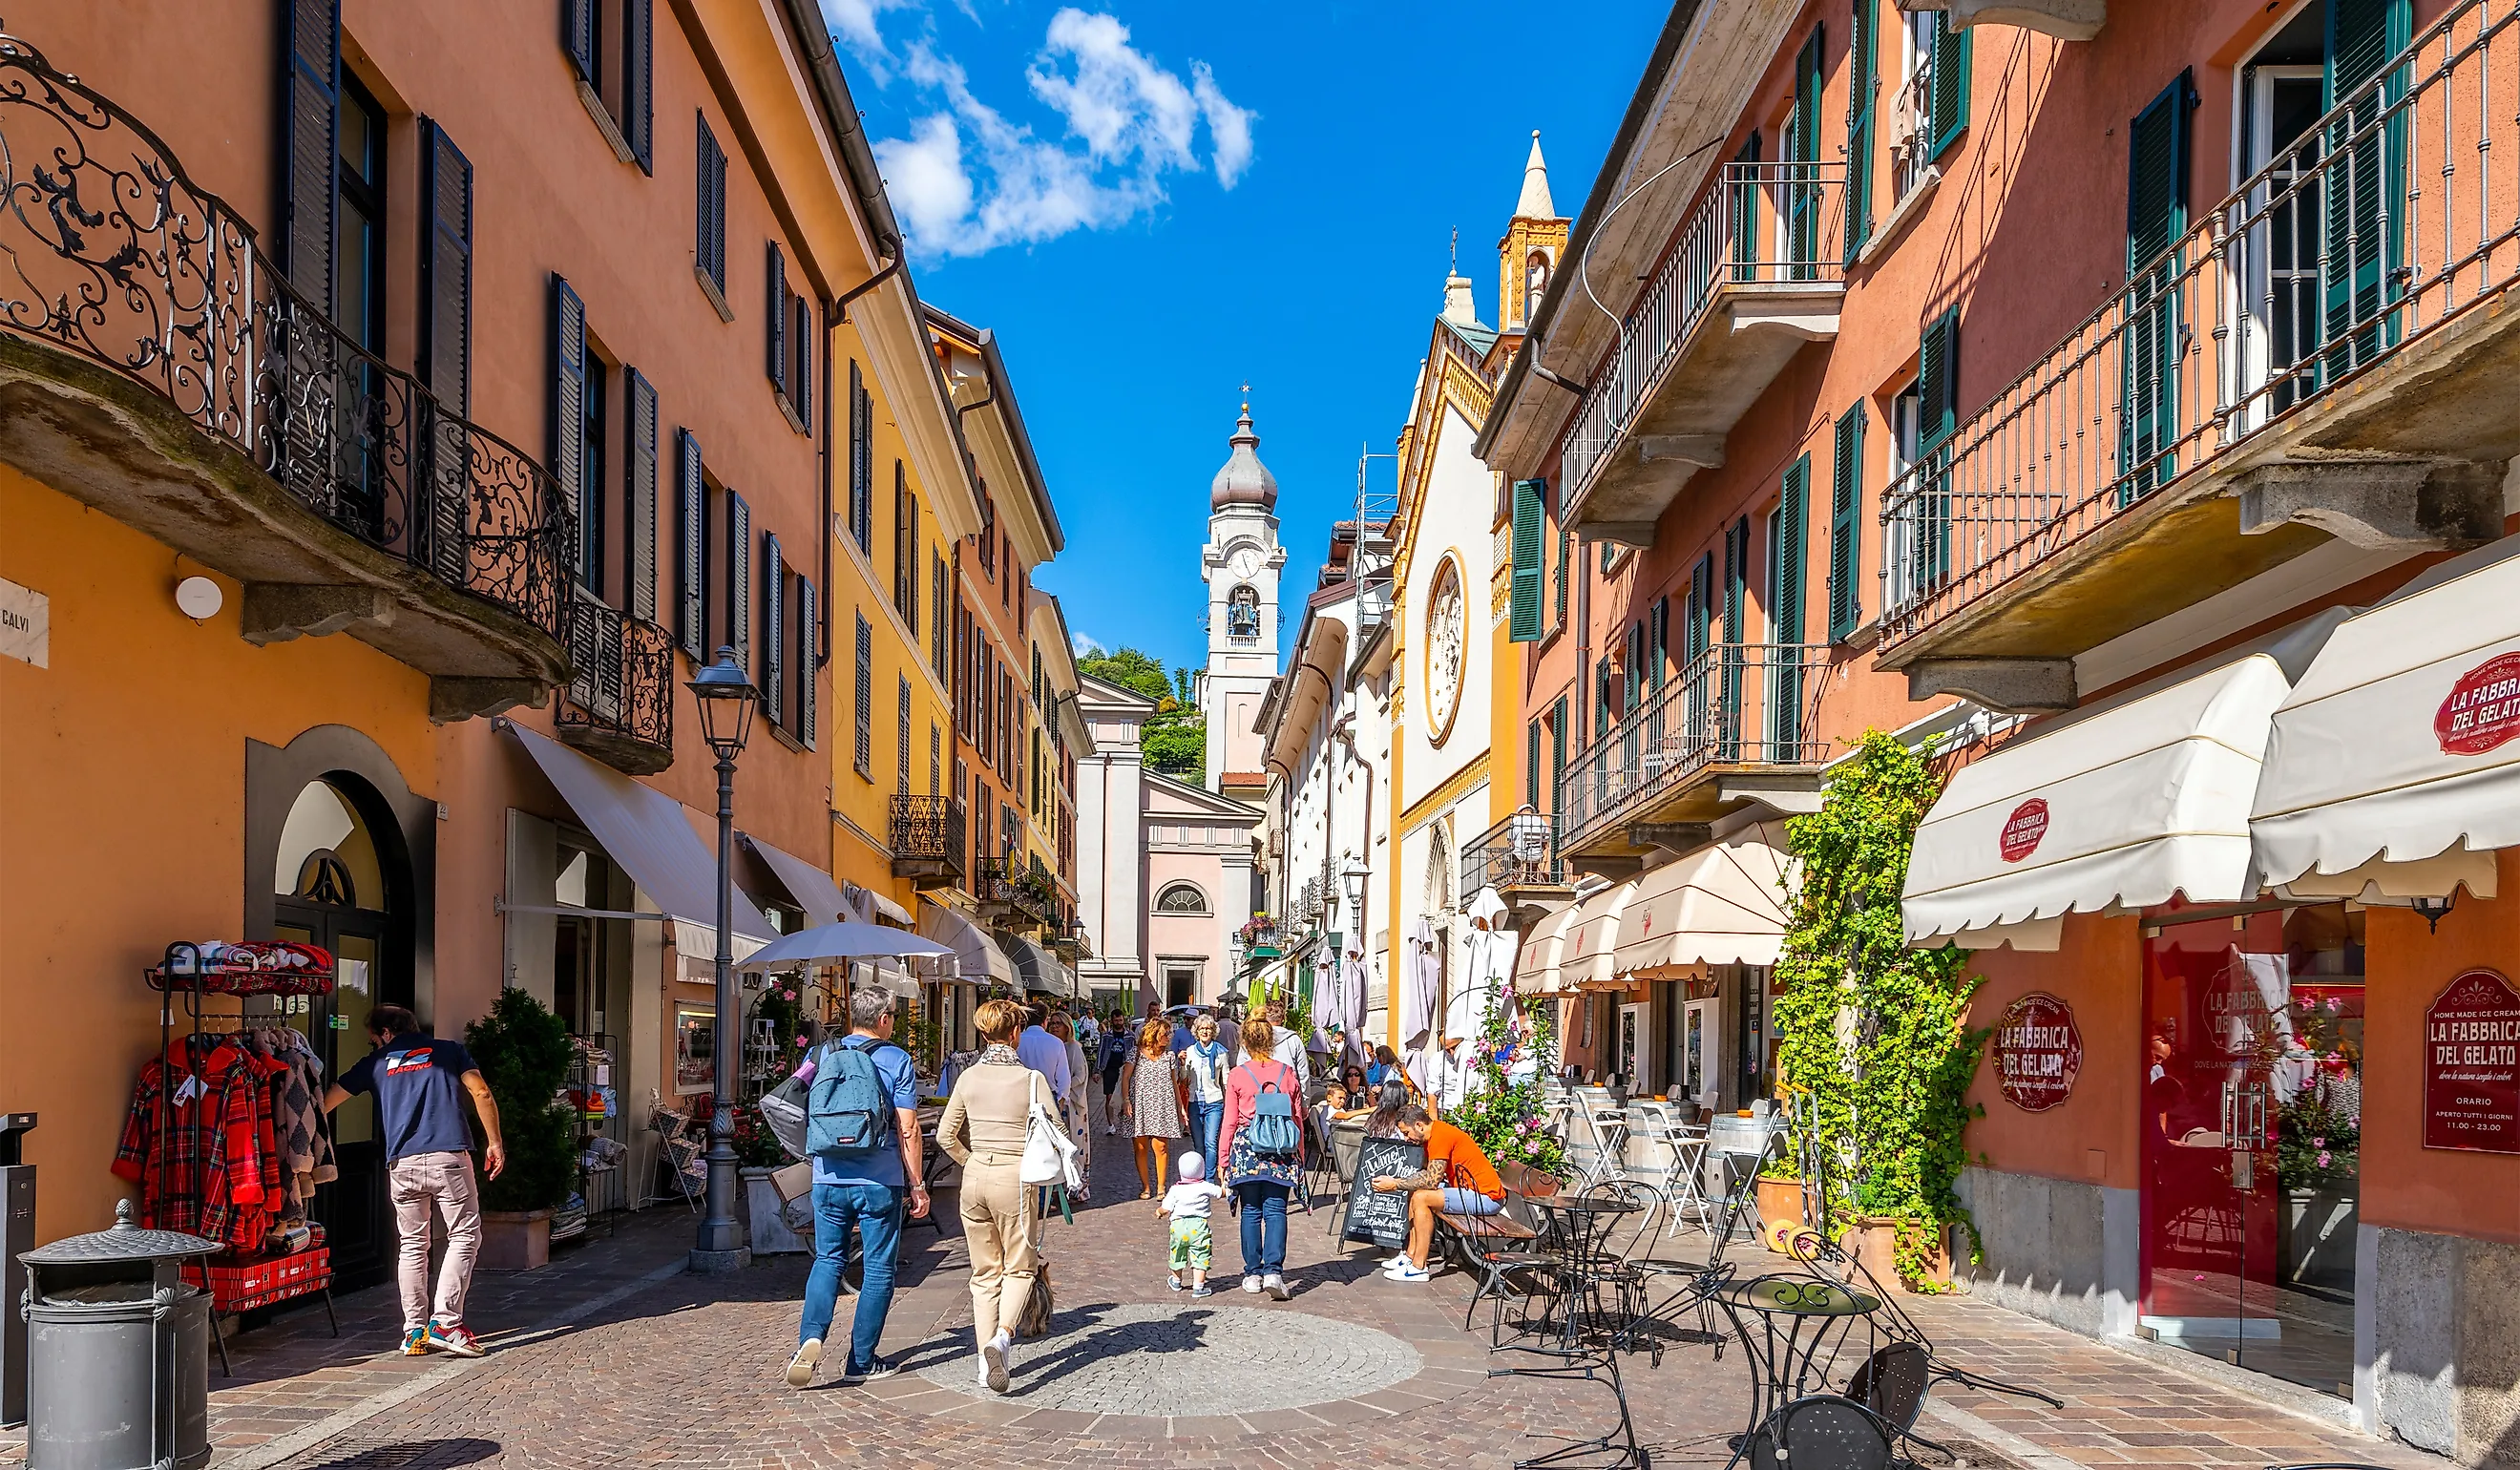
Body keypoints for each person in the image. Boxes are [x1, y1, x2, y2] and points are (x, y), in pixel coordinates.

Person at [322, 1004, 505, 1358]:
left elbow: (327, 1102)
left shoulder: (376, 1063)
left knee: (411, 1244)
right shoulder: (449, 1051)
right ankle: (447, 1323)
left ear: (386, 1034)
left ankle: (414, 1332)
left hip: (401, 1163)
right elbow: (481, 1092)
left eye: (374, 1039)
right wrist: (494, 1141)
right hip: (448, 1157)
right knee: (465, 1234)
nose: (375, 1045)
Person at [785, 985, 929, 1387]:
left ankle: (810, 1338)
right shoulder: (896, 1059)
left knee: (828, 1260)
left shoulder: (818, 1055)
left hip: (827, 1176)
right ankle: (861, 1361)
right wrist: (916, 1184)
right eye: (894, 1016)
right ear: (883, 1020)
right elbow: (909, 1128)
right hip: (878, 1180)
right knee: (879, 1270)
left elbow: (797, 1105)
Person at [936, 998, 1072, 1396]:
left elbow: (946, 1135)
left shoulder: (968, 1078)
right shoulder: (1031, 1080)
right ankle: (1003, 1338)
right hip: (1015, 1178)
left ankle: (983, 1361)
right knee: (1019, 1267)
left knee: (983, 1273)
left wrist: (972, 1159)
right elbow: (1059, 1133)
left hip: (975, 1176)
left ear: (982, 1033)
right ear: (1015, 1034)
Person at [1217, 1018, 1305, 1299]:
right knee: (1276, 1210)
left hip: (1246, 1148)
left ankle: (1253, 1272)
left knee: (1251, 1210)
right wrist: (1300, 1151)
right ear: (1272, 1041)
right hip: (1280, 1147)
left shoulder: (1238, 1075)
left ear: (1244, 1042)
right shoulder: (1287, 1073)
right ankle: (1274, 1272)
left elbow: (1229, 1120)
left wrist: (1223, 1159)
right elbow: (1297, 1116)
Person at [1371, 1103, 1505, 1283]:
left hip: (1487, 1198)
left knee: (1421, 1197)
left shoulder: (1440, 1136)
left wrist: (1395, 1183)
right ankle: (1410, 1255)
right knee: (1415, 1191)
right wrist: (1401, 1183)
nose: (1406, 1138)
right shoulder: (1433, 1135)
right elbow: (1426, 1174)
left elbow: (1431, 1180)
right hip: (1471, 1193)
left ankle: (1418, 1267)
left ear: (1419, 1125)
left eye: (1406, 1133)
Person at [1120, 1018, 1183, 1198]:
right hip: (1139, 1105)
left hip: (1163, 1105)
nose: (1169, 1037)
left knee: (1161, 1147)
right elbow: (1126, 1078)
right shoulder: (1136, 1053)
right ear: (1155, 1034)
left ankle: (1161, 1187)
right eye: (1165, 1033)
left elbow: (1174, 1082)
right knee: (1140, 1148)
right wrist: (1126, 1100)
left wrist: (1180, 1107)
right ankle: (1146, 1186)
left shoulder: (1169, 1056)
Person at [1158, 1150, 1227, 1298]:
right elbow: (1221, 1193)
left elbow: (1166, 1208)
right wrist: (1225, 1183)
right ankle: (1198, 1287)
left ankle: (1176, 1281)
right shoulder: (1205, 1186)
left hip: (1178, 1226)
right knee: (1200, 1255)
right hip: (1199, 1226)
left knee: (1177, 1253)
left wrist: (1159, 1211)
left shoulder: (1175, 1189)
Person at [1181, 1014, 1230, 1178]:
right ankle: (1199, 1175)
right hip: (1195, 1102)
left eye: (1208, 1029)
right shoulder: (1190, 1052)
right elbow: (1183, 1078)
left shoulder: (1221, 1052)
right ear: (1196, 1031)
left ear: (1213, 1031)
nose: (1205, 1032)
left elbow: (1226, 1079)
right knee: (1198, 1144)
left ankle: (1209, 1179)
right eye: (1202, 1028)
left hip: (1214, 1102)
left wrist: (1230, 1102)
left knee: (1211, 1143)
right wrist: (1181, 1064)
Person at [1017, 1003, 1072, 1104]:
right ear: (1045, 1020)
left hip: (1021, 1095)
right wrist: (1062, 1100)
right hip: (1048, 1096)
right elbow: (1063, 1077)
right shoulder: (1056, 1042)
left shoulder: (1017, 1040)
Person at [1098, 1017, 1133, 1134]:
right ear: (1112, 1021)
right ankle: (1111, 1124)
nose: (1118, 1023)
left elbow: (1133, 1051)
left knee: (1125, 1096)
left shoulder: (1130, 1036)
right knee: (1109, 1096)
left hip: (1125, 1068)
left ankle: (1124, 1120)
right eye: (1116, 1020)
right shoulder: (1106, 1036)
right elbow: (1101, 1051)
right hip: (1109, 1068)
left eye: (1120, 1020)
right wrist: (1097, 1070)